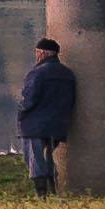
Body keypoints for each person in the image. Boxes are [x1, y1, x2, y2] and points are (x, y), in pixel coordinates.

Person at [16, 33, 78, 193]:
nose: (36, 56)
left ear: (43, 53)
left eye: (37, 52)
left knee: (34, 160)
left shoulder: (37, 73)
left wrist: (21, 112)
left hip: (35, 125)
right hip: (58, 124)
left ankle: (42, 194)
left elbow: (29, 99)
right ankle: (53, 190)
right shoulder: (68, 74)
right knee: (49, 158)